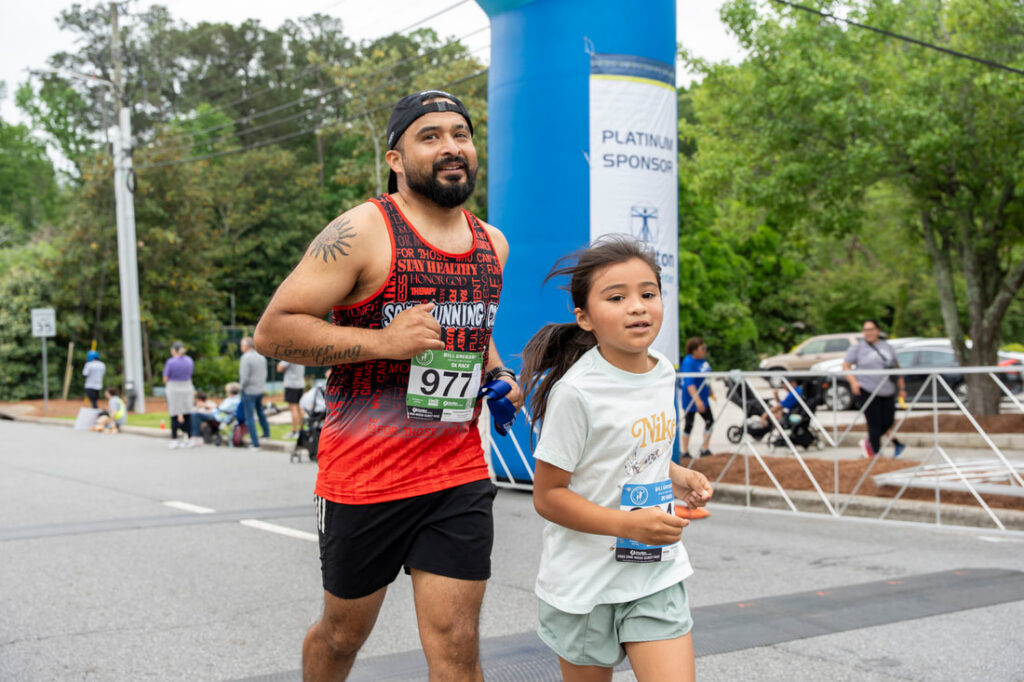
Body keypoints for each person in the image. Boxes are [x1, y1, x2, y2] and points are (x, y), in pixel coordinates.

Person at [253, 88, 521, 682]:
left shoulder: (492, 244)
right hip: (364, 477)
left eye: (460, 134)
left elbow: (474, 330)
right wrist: (381, 343)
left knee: (457, 646)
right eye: (431, 136)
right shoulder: (363, 231)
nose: (451, 147)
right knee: (343, 635)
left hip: (455, 472)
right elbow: (273, 332)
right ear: (395, 159)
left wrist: (500, 374)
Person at [519, 236, 712, 682]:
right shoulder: (576, 393)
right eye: (617, 297)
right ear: (584, 317)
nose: (638, 307)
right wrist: (627, 526)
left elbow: (636, 453)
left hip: (655, 573)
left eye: (648, 293)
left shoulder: (663, 372)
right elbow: (548, 496)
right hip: (584, 585)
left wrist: (679, 475)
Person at [843, 319, 907, 457]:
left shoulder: (887, 347)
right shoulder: (858, 348)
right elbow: (846, 365)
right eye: (866, 330)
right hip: (867, 389)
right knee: (874, 423)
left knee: (888, 422)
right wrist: (853, 382)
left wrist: (902, 388)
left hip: (887, 390)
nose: (868, 333)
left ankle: (868, 444)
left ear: (878, 330)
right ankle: (876, 454)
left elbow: (896, 368)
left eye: (871, 329)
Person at [680, 337, 715, 458]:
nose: (705, 350)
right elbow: (689, 383)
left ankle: (705, 449)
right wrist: (697, 401)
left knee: (710, 421)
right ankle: (685, 451)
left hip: (704, 398)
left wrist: (710, 389)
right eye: (702, 348)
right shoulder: (688, 362)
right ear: (694, 350)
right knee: (689, 424)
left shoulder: (702, 360)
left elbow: (705, 376)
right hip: (692, 400)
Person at [239, 337, 271, 450]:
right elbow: (265, 374)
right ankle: (266, 433)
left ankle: (255, 442)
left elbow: (244, 376)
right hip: (259, 389)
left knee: (249, 417)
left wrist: (241, 387)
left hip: (249, 390)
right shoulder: (261, 357)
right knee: (260, 412)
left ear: (246, 346)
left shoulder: (245, 358)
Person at [162, 341, 195, 447]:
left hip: (173, 388)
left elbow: (165, 378)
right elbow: (190, 373)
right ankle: (188, 438)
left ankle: (174, 439)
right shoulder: (189, 360)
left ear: (174, 350)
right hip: (187, 387)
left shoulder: (170, 362)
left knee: (174, 413)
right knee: (187, 414)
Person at [277, 360, 306, 439]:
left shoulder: (289, 356)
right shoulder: (301, 354)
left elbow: (279, 368)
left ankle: (294, 431)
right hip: (300, 384)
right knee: (300, 409)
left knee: (293, 409)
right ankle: (301, 430)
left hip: (291, 385)